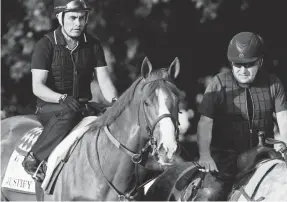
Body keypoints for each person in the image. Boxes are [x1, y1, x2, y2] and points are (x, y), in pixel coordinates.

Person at [22, 0, 118, 181]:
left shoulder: (94, 45)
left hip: (81, 106)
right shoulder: (45, 45)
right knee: (69, 112)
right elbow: (38, 87)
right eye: (73, 18)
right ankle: (33, 158)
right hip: (51, 107)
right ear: (60, 17)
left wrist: (115, 103)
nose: (78, 23)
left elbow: (104, 81)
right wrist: (62, 98)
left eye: (82, 18)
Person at [196, 32, 287, 200]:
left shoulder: (273, 83)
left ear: (260, 61)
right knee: (210, 194)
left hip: (264, 154)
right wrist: (205, 155)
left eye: (249, 64)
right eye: (237, 64)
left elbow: (284, 118)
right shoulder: (219, 83)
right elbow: (205, 123)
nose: (243, 70)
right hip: (225, 158)